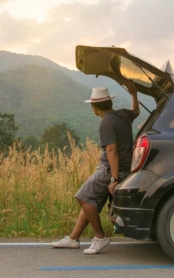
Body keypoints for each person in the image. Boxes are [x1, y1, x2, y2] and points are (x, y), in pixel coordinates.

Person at [51, 80, 140, 254]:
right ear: (110, 102)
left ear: (95, 106)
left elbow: (112, 151)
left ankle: (100, 237)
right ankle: (73, 238)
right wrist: (133, 93)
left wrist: (114, 179)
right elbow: (136, 111)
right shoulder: (122, 114)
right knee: (90, 200)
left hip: (111, 169)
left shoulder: (106, 122)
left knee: (83, 197)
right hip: (118, 167)